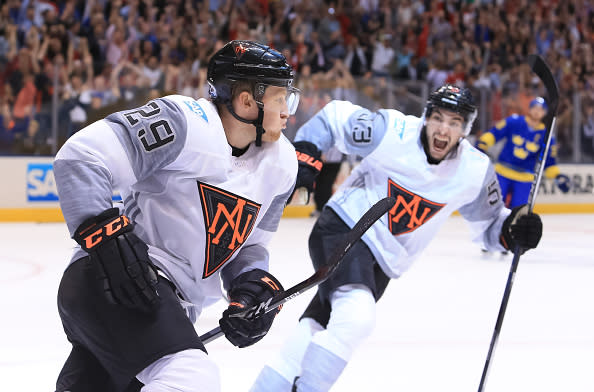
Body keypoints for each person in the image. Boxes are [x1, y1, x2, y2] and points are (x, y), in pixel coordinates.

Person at [249, 84, 544, 392]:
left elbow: (491, 228)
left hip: (384, 261)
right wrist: (307, 155)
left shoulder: (474, 171)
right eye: (439, 118)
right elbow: (333, 119)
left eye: (455, 123)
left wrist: (514, 231)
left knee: (319, 325)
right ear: (427, 117)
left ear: (465, 130)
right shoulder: (392, 131)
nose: (444, 129)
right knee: (356, 316)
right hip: (346, 228)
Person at [53, 40, 302, 392]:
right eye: (281, 97)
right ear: (248, 101)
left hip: (163, 306)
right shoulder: (186, 122)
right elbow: (81, 157)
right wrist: (106, 240)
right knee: (190, 377)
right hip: (117, 284)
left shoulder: (282, 164)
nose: (288, 110)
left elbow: (247, 248)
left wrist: (249, 290)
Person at [476, 96, 569, 209]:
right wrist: (483, 144)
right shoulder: (514, 121)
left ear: (544, 113)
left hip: (525, 178)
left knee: (519, 211)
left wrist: (557, 176)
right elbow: (495, 133)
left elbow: (549, 160)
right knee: (493, 207)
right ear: (529, 109)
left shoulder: (547, 135)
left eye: (541, 109)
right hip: (502, 172)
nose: (537, 111)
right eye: (535, 107)